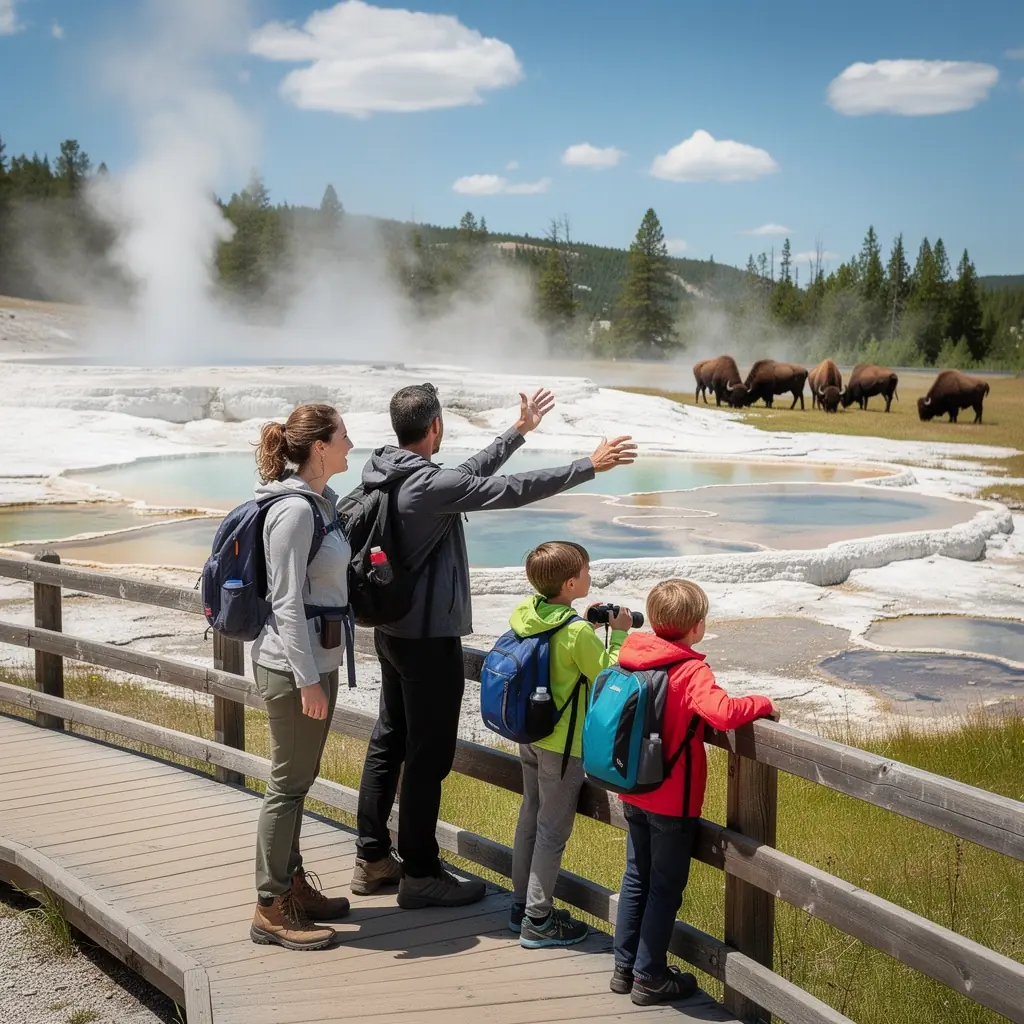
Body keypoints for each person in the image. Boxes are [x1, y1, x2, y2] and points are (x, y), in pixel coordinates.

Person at [352, 383, 637, 909]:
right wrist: (588, 466)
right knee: (427, 758)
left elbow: (468, 475)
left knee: (389, 741)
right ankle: (419, 873)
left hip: (391, 634)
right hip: (428, 642)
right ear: (435, 426)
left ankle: (372, 857)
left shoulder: (387, 470)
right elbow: (511, 489)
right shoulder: (430, 485)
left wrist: (518, 431)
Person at [611, 580, 775, 1006]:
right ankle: (649, 977)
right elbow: (722, 713)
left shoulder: (632, 654)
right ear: (697, 627)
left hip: (633, 789)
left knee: (636, 877)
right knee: (664, 888)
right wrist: (762, 703)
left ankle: (624, 968)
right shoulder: (690, 670)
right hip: (671, 799)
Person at [249, 403, 355, 951]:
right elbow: (286, 603)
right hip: (295, 669)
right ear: (320, 447)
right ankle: (269, 907)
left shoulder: (321, 502)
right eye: (343, 436)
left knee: (300, 779)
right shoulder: (293, 512)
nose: (350, 445)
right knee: (286, 784)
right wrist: (307, 678)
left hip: (317, 663)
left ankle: (292, 886)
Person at [510, 541, 634, 949]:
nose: (589, 576)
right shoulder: (576, 631)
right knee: (552, 831)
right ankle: (538, 920)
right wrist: (619, 634)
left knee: (530, 817)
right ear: (570, 583)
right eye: (585, 571)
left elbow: (557, 651)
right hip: (563, 746)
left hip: (531, 734)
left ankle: (519, 906)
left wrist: (584, 625)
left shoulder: (529, 613)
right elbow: (608, 677)